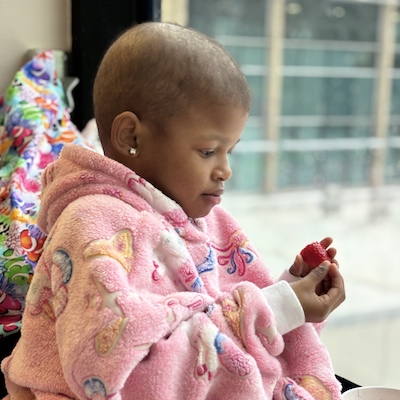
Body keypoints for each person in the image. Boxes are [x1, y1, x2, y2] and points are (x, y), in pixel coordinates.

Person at [1, 22, 345, 400]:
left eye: (229, 151)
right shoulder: (92, 225)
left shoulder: (204, 217)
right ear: (131, 137)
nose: (225, 170)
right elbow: (121, 371)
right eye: (207, 151)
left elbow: (227, 308)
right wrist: (282, 307)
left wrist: (292, 290)